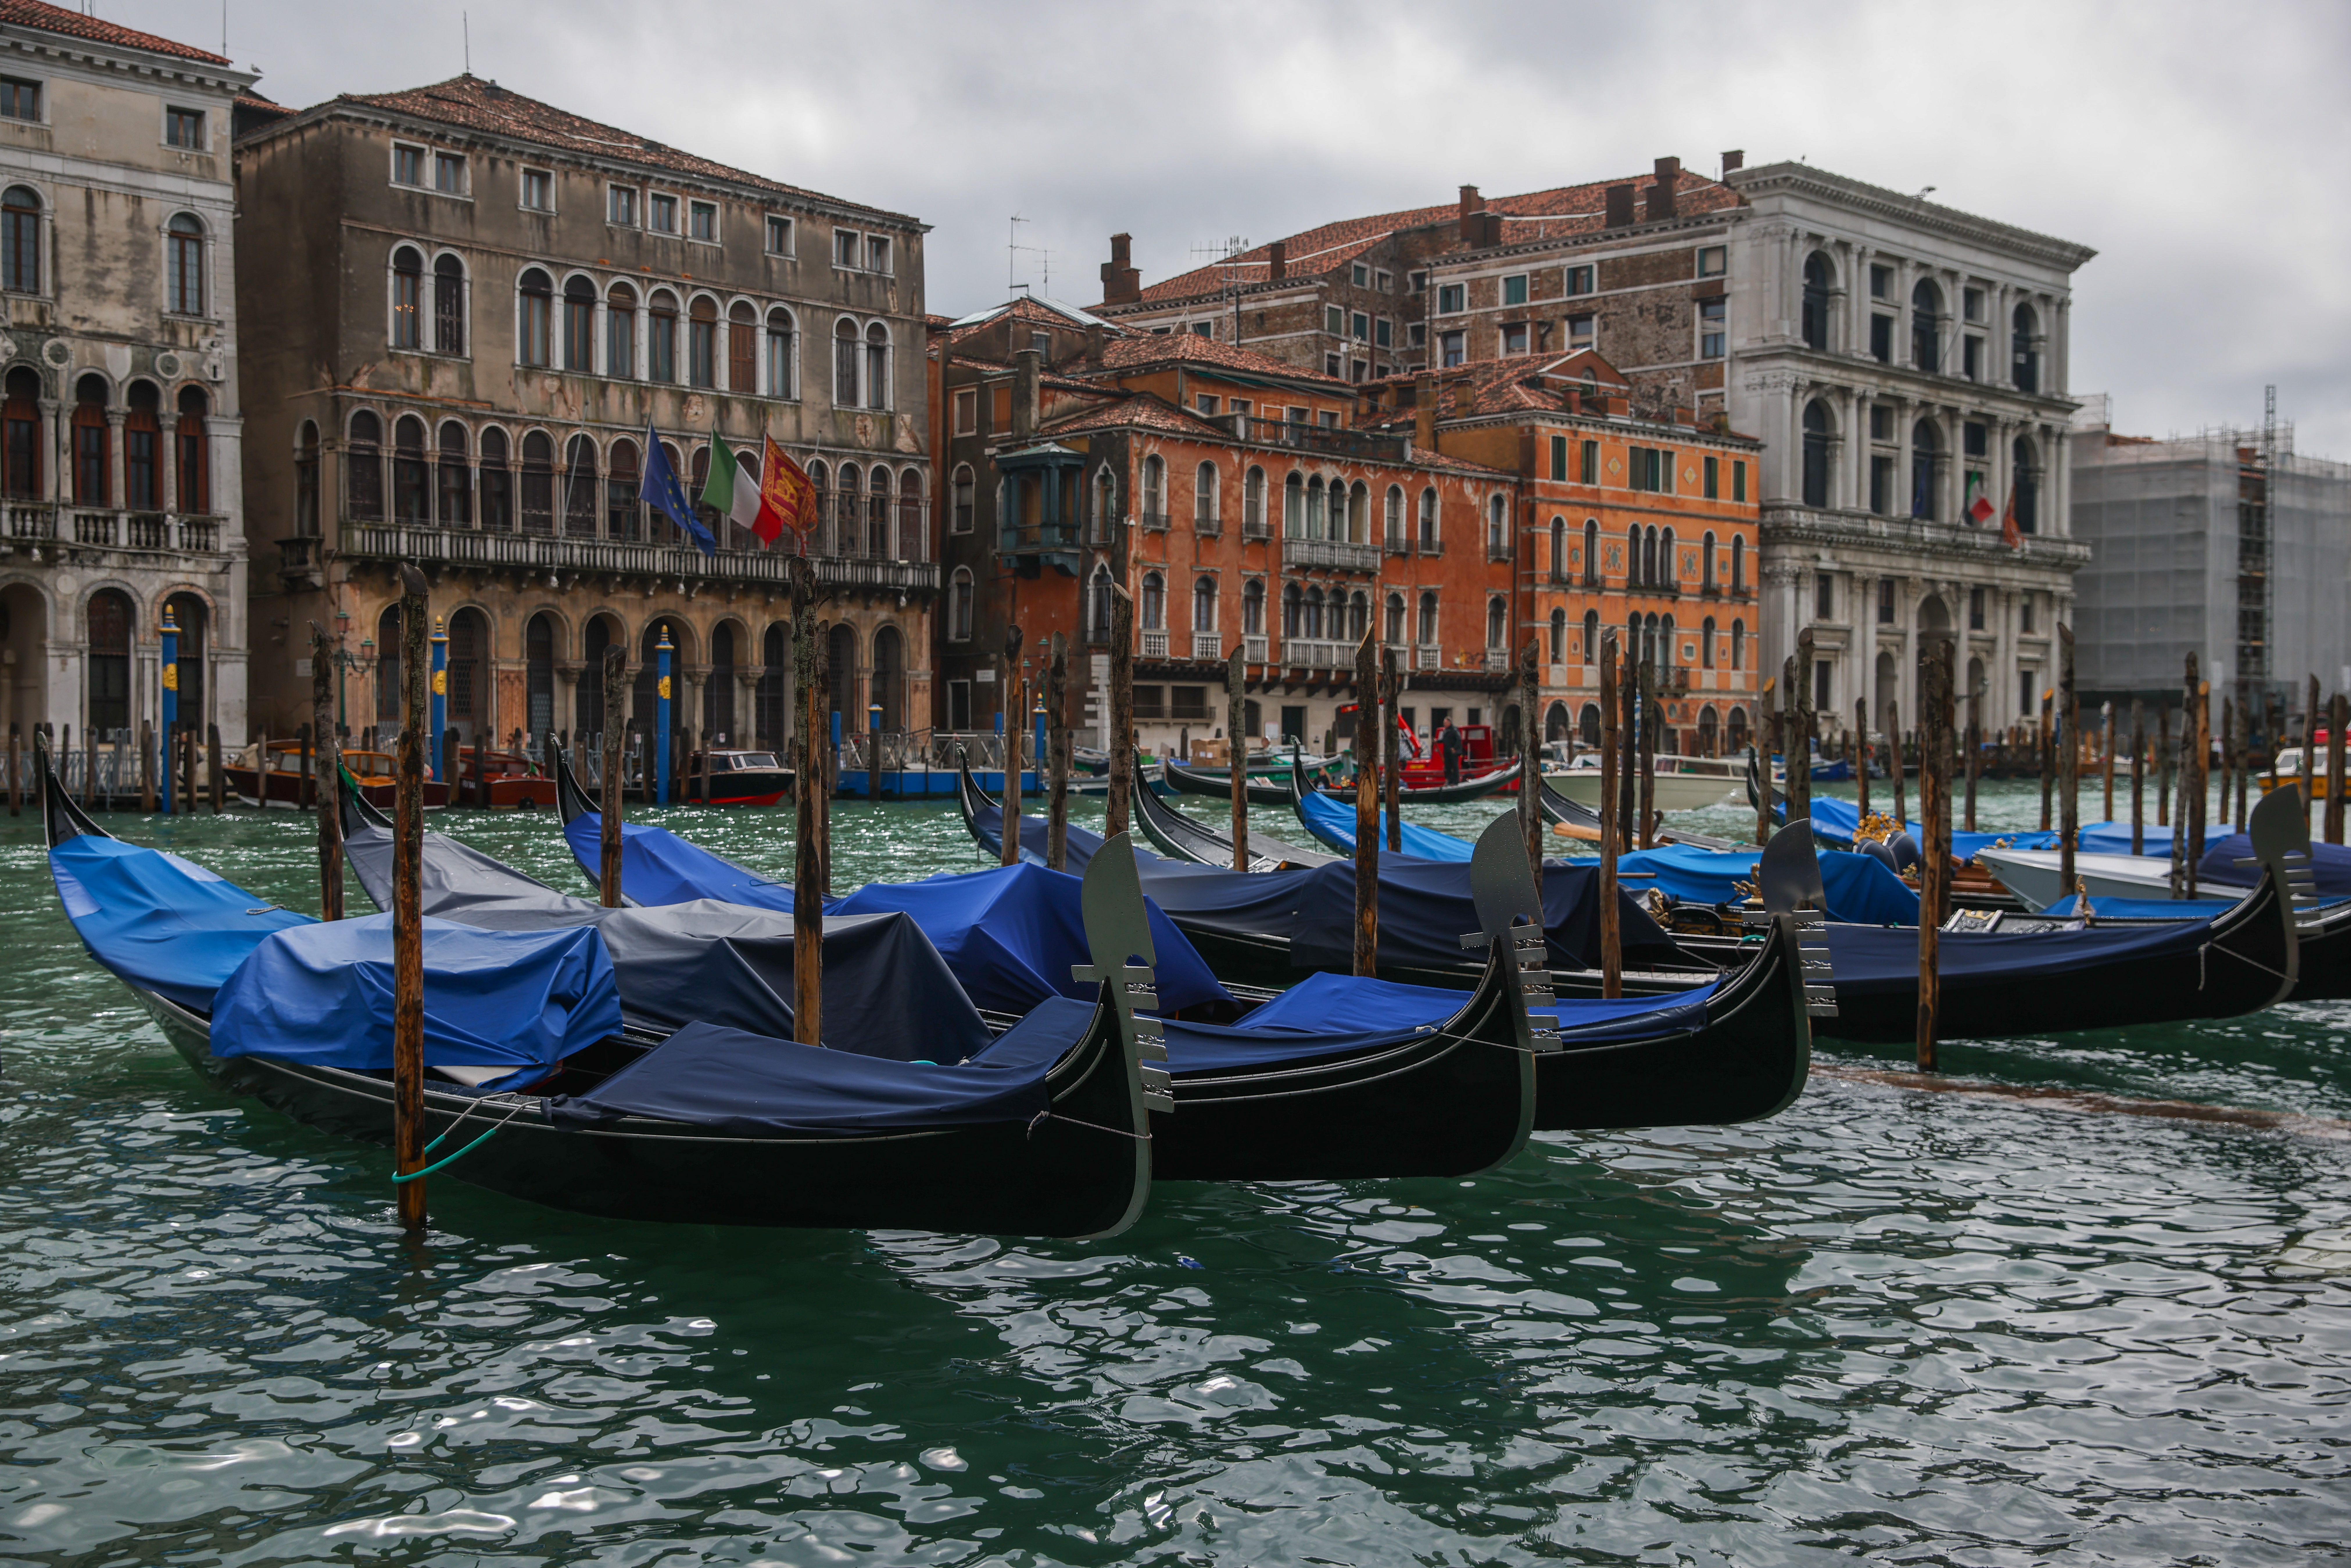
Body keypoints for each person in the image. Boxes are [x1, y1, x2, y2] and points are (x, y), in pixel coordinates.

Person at [1439, 718, 1464, 785]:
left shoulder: (1455, 730)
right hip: (1447, 751)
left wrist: (1455, 748)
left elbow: (1459, 740)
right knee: (1448, 767)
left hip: (1453, 752)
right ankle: (1450, 781)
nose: (1444, 724)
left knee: (1455, 766)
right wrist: (1438, 741)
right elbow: (1444, 740)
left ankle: (1456, 781)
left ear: (1449, 723)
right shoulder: (1445, 731)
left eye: (1445, 723)